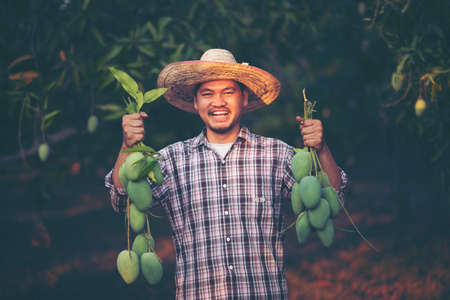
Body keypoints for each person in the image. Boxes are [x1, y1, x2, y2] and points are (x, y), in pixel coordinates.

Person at [105, 48, 348, 299]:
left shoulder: (276, 154)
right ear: (196, 102)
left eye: (228, 92)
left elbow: (333, 200)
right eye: (207, 93)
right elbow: (122, 200)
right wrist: (127, 146)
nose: (218, 102)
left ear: (243, 98)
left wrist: (321, 149)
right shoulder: (170, 161)